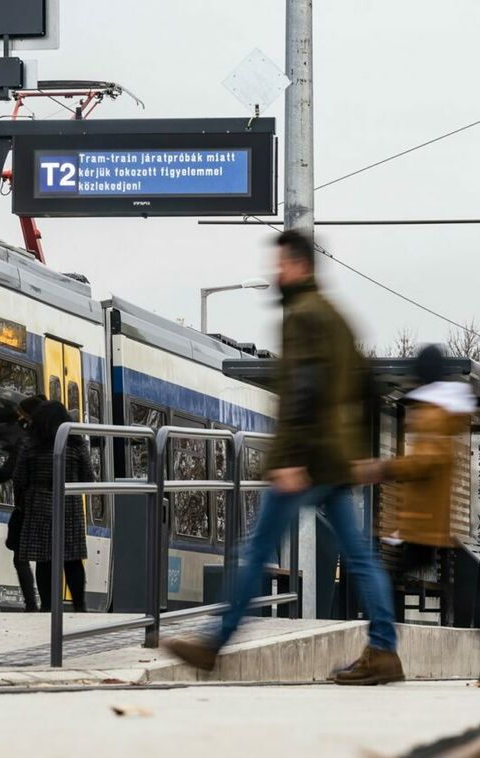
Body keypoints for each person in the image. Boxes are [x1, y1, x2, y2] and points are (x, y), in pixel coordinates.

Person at [164, 229, 404, 685]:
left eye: (281, 263)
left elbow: (303, 389)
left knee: (255, 550)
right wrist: (357, 452)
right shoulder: (335, 316)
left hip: (306, 458)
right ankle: (384, 651)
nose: (276, 272)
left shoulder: (303, 315)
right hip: (332, 459)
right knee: (360, 558)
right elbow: (366, 385)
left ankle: (214, 644)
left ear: (299, 266)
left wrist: (292, 458)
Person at [357, 344, 480, 683]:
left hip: (421, 522)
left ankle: (379, 653)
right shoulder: (444, 410)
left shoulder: (434, 412)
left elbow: (428, 460)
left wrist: (383, 467)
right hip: (433, 520)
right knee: (453, 597)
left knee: (384, 584)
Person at [14, 399, 92, 612]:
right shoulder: (76, 444)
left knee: (44, 560)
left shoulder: (31, 444)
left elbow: (19, 477)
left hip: (39, 504)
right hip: (70, 504)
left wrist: (25, 498)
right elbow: (89, 478)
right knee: (72, 559)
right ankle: (79, 605)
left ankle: (47, 607)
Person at [0, 394, 47, 611]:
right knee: (44, 558)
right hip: (48, 508)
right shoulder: (56, 437)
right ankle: (47, 604)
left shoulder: (26, 442)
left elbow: (7, 472)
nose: (19, 420)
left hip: (27, 508)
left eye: (22, 415)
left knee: (20, 556)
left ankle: (32, 604)